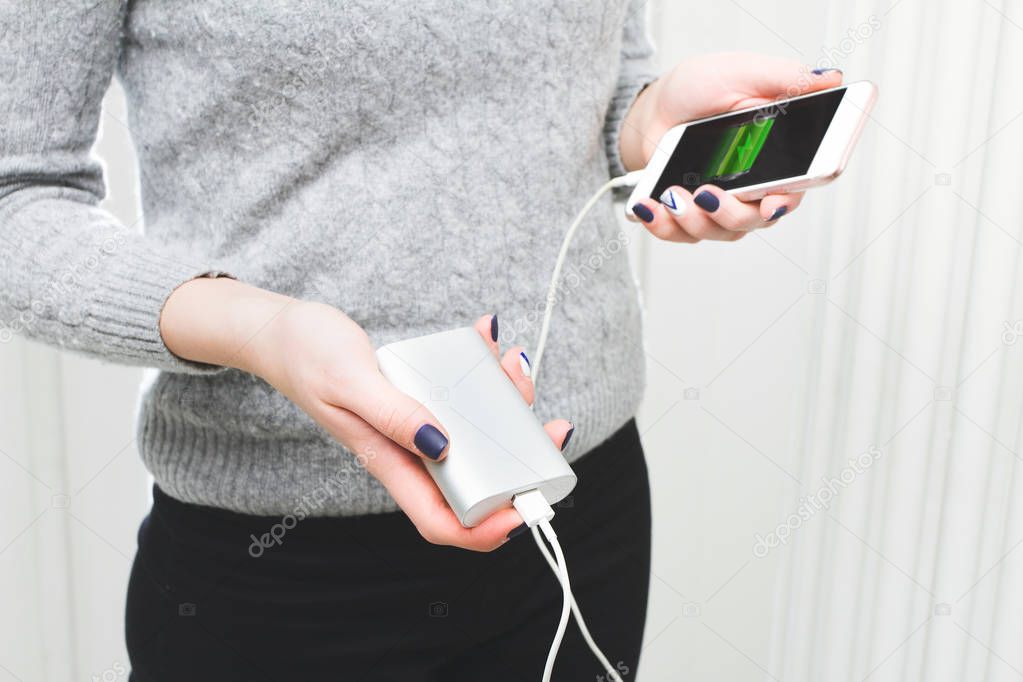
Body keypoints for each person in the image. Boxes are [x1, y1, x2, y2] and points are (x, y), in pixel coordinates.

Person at [0, 2, 841, 679]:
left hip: (578, 490)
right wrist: (260, 329)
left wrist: (649, 121)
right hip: (276, 556)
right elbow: (16, 196)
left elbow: (587, 78)